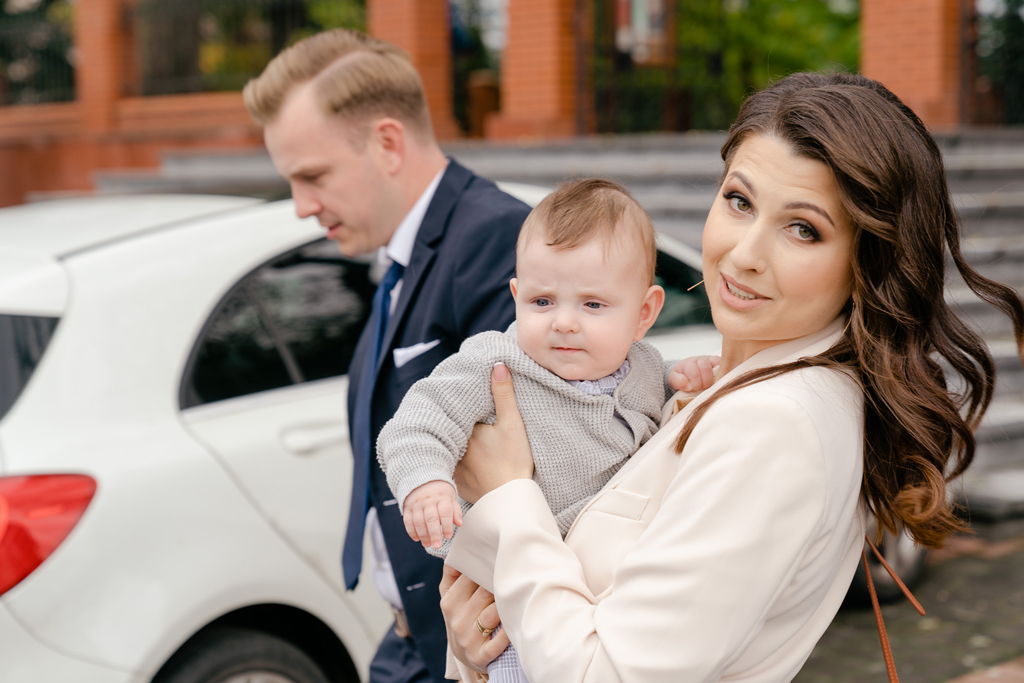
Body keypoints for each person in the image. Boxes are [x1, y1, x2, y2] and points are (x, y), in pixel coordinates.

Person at [437, 72, 1024, 682]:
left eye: (803, 228)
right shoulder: (728, 384)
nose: (745, 252)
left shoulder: (777, 424)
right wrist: (479, 630)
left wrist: (509, 497)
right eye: (739, 201)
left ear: (865, 262)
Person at [242, 29, 531, 682]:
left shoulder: (494, 237)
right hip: (410, 637)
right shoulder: (400, 251)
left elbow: (518, 462)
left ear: (388, 142)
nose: (301, 206)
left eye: (313, 176)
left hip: (470, 648)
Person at [377, 179, 677, 683]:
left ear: (643, 313)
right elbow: (414, 425)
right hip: (512, 598)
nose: (563, 322)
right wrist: (426, 482)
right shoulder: (494, 362)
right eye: (542, 301)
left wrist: (689, 377)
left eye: (593, 305)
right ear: (516, 295)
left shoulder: (648, 370)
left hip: (605, 601)